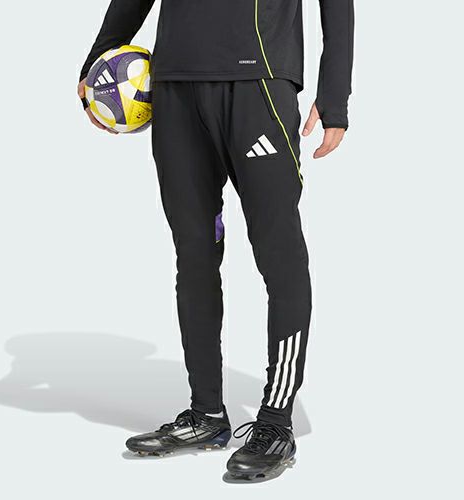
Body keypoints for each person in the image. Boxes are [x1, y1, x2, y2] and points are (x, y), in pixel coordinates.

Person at [78, 0, 354, 480]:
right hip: (175, 86)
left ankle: (276, 421)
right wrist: (98, 61)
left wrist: (335, 94)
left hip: (258, 83)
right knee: (194, 255)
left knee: (279, 254)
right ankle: (205, 413)